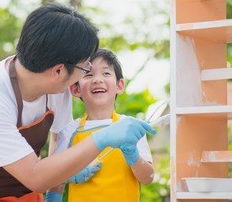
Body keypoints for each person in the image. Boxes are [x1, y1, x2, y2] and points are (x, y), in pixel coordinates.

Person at [0, 3, 156, 202]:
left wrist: (56, 190)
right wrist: (103, 137)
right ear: (58, 70)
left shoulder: (57, 88)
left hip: (23, 192)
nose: (87, 75)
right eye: (85, 68)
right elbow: (36, 176)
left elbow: (58, 147)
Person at [46, 48, 155, 202]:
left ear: (119, 85)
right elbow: (54, 177)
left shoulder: (130, 128)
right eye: (88, 74)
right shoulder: (69, 131)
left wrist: (134, 156)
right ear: (75, 89)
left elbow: (147, 178)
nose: (97, 79)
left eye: (106, 73)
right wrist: (69, 176)